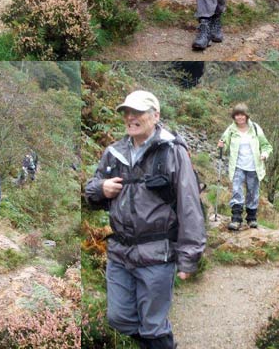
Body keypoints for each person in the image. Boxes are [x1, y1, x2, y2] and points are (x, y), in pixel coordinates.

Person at [85, 90, 206, 349]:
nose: (130, 117)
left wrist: (189, 257)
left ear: (155, 115)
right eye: (127, 112)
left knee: (153, 325)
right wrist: (100, 188)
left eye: (138, 112)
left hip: (157, 254)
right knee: (118, 318)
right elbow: (91, 190)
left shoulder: (172, 151)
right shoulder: (113, 152)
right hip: (120, 252)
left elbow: (190, 206)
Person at [218, 103, 272, 231]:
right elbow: (224, 147)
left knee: (253, 192)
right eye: (237, 115)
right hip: (238, 166)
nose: (240, 117)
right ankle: (236, 219)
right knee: (237, 190)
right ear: (234, 116)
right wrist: (221, 145)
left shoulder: (255, 128)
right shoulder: (231, 130)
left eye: (242, 114)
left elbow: (266, 145)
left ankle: (251, 218)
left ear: (246, 115)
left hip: (254, 166)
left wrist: (264, 154)